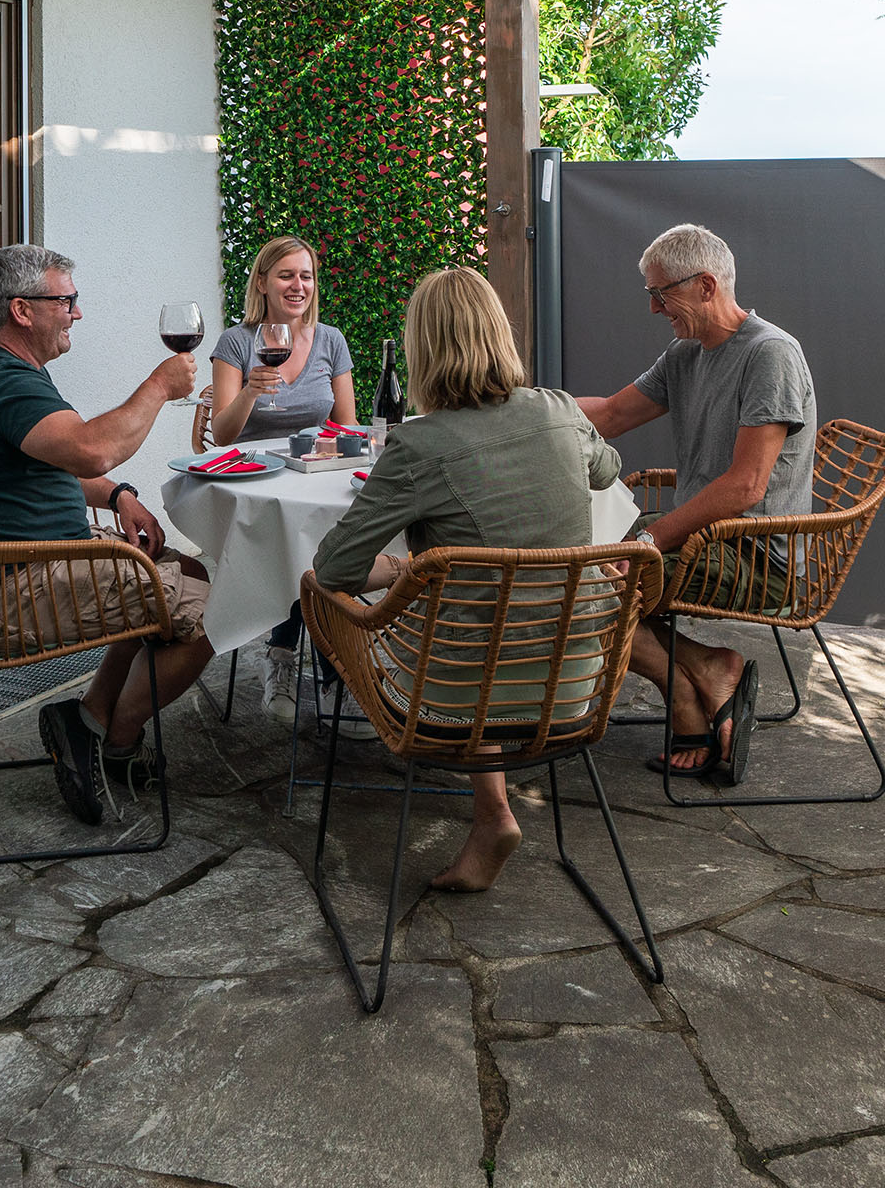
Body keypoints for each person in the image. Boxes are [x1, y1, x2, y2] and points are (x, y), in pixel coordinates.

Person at [310, 267, 622, 892]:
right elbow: (607, 469)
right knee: (485, 612)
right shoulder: (560, 409)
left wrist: (404, 568)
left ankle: (493, 811)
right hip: (575, 681)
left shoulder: (419, 446)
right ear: (500, 334)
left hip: (456, 700)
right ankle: (494, 814)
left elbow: (335, 569)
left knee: (319, 595)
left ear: (423, 347)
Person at [0, 244, 212, 827]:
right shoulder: (5, 382)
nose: (77, 313)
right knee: (221, 609)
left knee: (185, 572)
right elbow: (90, 447)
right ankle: (119, 745)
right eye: (67, 301)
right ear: (23, 310)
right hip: (10, 594)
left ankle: (86, 722)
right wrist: (159, 386)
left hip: (23, 569)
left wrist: (117, 496)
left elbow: (57, 460)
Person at [577, 224, 817, 785]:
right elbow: (611, 415)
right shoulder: (686, 353)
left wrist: (649, 540)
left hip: (758, 556)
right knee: (571, 560)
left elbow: (746, 487)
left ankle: (693, 691)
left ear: (706, 284)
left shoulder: (770, 354)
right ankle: (701, 672)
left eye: (662, 294)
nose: (656, 308)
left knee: (583, 588)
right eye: (651, 295)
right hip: (704, 538)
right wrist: (523, 407)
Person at [207, 235, 358, 722]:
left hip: (313, 474)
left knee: (327, 548)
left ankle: (324, 666)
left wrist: (329, 449)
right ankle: (290, 657)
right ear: (263, 282)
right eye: (287, 275)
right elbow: (223, 432)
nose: (299, 286)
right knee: (299, 548)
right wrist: (250, 390)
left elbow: (349, 426)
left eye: (307, 275)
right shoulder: (236, 341)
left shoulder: (330, 340)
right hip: (258, 482)